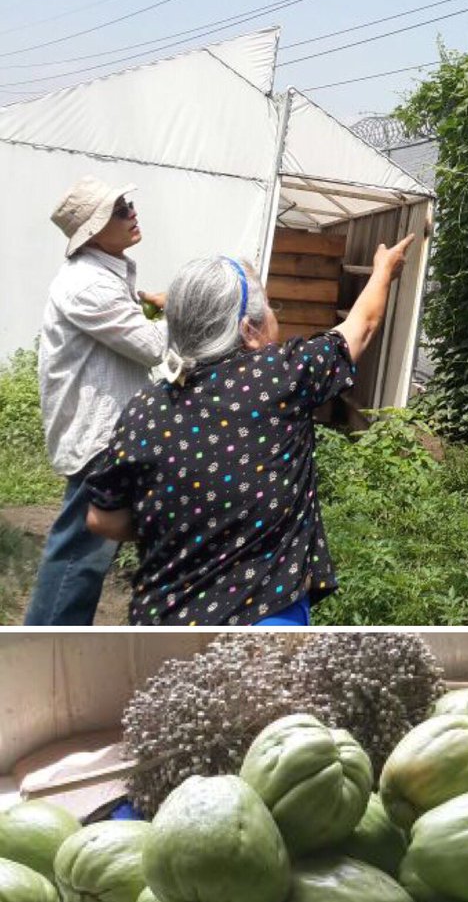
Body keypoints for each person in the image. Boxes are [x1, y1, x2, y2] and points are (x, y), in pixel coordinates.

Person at [83, 233, 415, 625]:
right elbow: (361, 327)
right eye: (269, 307)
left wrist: (187, 521)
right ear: (249, 330)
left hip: (163, 624)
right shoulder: (283, 376)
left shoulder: (145, 409)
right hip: (265, 623)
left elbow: (101, 519)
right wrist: (383, 271)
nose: (273, 312)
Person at [24, 177, 168, 625]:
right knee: (79, 556)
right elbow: (152, 347)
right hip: (99, 435)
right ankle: (46, 649)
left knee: (85, 549)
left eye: (128, 203)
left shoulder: (105, 275)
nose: (131, 212)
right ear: (92, 232)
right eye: (119, 209)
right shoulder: (88, 284)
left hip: (108, 430)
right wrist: (186, 308)